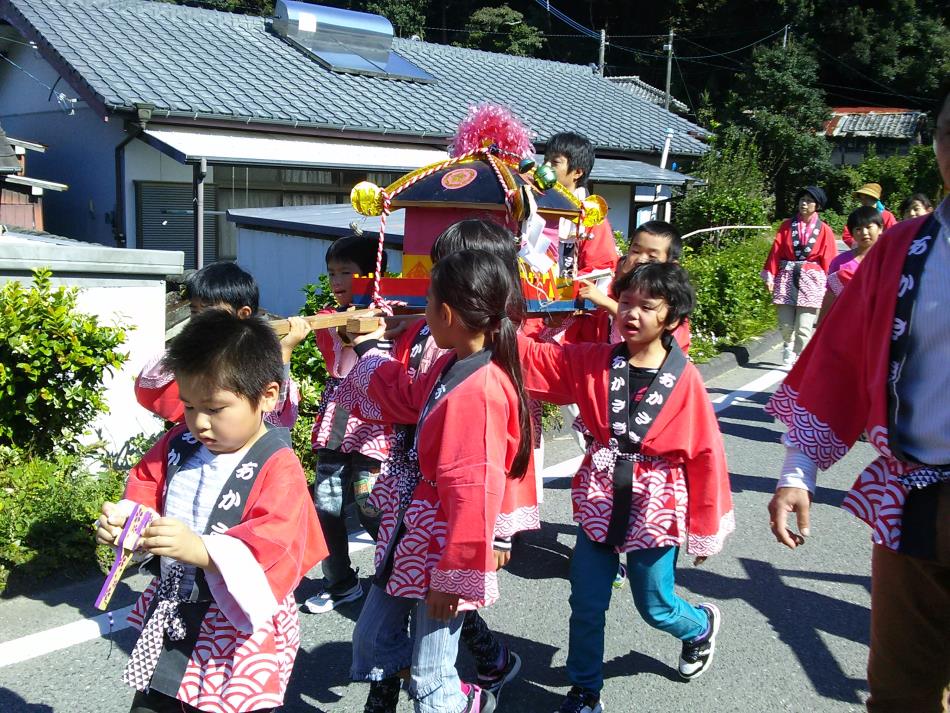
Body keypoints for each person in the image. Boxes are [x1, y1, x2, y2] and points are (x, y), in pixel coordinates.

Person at [765, 86, 950, 713]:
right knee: (901, 691)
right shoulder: (901, 252)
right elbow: (838, 362)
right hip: (919, 502)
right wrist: (798, 470)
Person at [519, 262, 734, 713]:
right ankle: (584, 691)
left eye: (646, 306)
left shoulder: (687, 380)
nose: (630, 313)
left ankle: (697, 627)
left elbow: (706, 455)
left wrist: (705, 527)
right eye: (627, 302)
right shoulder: (595, 359)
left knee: (653, 602)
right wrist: (494, 319)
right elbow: (537, 361)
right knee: (587, 600)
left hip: (656, 498)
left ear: (672, 318)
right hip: (600, 493)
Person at [96, 309, 327, 713]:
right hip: (177, 604)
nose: (199, 423)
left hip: (236, 625)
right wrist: (128, 522)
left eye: (216, 408)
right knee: (156, 700)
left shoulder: (277, 462)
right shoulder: (178, 442)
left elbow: (275, 545)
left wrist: (201, 551)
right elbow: (146, 485)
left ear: (268, 395)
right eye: (188, 406)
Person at [336, 249, 532, 713]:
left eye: (426, 304)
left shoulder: (480, 388)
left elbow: (472, 494)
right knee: (372, 639)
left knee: (430, 676)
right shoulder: (456, 363)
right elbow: (405, 395)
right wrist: (369, 350)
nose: (422, 314)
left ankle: (456, 701)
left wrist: (455, 577)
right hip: (418, 525)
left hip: (444, 539)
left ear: (445, 312)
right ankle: (465, 700)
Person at [302, 235, 392, 615]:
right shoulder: (328, 317)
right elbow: (333, 364)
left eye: (347, 272)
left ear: (374, 274)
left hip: (376, 421)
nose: (337, 280)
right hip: (339, 417)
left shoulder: (394, 314)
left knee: (370, 503)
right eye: (331, 273)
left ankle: (394, 572)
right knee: (326, 504)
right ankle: (340, 581)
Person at [134, 261, 307, 427]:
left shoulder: (253, 354)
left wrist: (285, 349)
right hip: (199, 442)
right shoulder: (195, 353)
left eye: (208, 312)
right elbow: (150, 391)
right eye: (195, 312)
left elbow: (274, 413)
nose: (200, 321)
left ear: (243, 314)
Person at [573, 220, 691, 351]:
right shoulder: (606, 282)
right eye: (636, 251)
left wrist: (606, 303)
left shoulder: (670, 297)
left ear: (671, 265)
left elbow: (665, 342)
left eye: (652, 257)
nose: (641, 259)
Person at [761, 186, 838, 366]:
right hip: (786, 276)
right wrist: (770, 275)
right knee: (785, 324)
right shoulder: (787, 226)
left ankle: (797, 355)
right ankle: (787, 344)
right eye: (802, 200)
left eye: (809, 201)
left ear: (817, 205)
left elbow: (830, 258)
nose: (804, 204)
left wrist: (831, 285)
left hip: (811, 279)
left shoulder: (824, 230)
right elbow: (776, 251)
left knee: (804, 327)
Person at [819, 206, 884, 319]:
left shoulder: (889, 260)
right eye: (858, 229)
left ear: (880, 228)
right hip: (847, 323)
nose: (864, 232)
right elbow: (830, 295)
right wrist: (821, 323)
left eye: (869, 227)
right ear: (851, 233)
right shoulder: (840, 262)